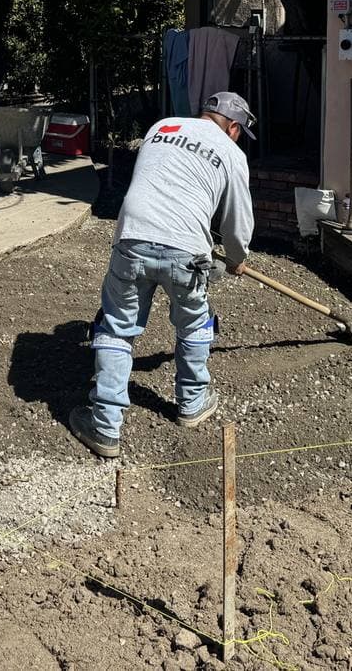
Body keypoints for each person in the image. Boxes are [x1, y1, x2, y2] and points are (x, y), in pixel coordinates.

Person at [69, 92, 256, 459]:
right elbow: (237, 221)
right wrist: (236, 258)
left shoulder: (161, 128)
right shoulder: (233, 154)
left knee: (116, 329)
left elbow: (159, 182)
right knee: (194, 324)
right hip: (186, 251)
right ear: (233, 128)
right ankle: (192, 402)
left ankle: (105, 427)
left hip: (133, 236)